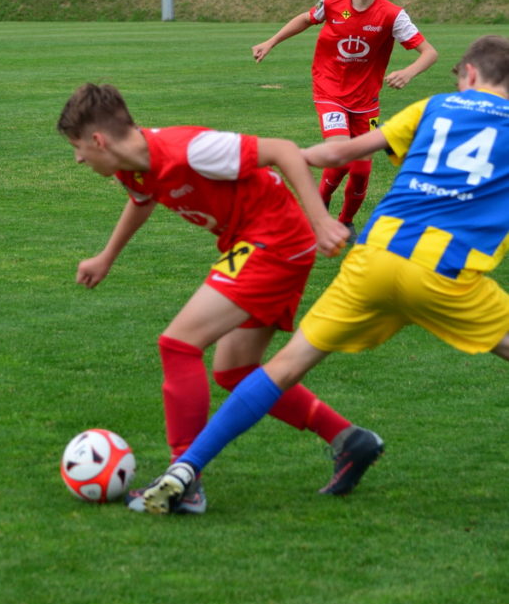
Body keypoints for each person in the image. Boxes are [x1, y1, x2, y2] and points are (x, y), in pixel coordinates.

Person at [141, 35, 509, 514]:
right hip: (446, 274)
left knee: (282, 368)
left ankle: (186, 468)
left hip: (373, 258)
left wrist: (292, 154)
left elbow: (341, 153)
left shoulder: (435, 106)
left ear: (470, 74)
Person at [57, 83, 384, 514]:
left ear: (99, 140)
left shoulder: (192, 149)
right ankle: (350, 440)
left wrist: (321, 220)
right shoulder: (131, 168)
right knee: (235, 371)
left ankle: (184, 480)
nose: (78, 159)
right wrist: (107, 256)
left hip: (276, 241)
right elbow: (142, 199)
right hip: (254, 243)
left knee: (178, 344)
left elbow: (283, 150)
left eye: (78, 147)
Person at [251, 0, 438, 238]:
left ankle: (345, 222)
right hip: (330, 90)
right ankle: (318, 209)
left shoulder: (392, 15)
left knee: (361, 171)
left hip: (366, 100)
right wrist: (270, 41)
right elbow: (305, 19)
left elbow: (429, 52)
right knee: (339, 153)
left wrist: (408, 72)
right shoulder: (332, 2)